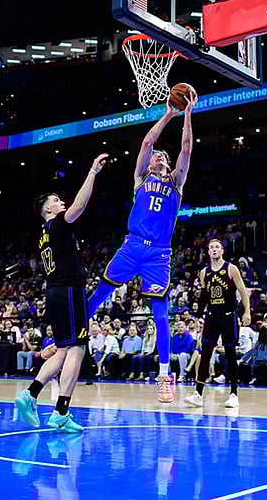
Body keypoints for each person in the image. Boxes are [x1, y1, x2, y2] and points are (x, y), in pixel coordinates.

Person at [86, 91, 198, 403]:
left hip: (158, 254)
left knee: (160, 316)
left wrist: (187, 112)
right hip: (132, 246)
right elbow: (147, 143)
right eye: (156, 155)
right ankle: (65, 338)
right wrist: (168, 115)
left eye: (164, 155)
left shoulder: (175, 183)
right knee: (97, 296)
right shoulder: (140, 178)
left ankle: (165, 376)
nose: (159, 155)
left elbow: (186, 148)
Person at [16, 153, 109, 434]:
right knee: (78, 348)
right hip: (68, 290)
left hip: (56, 291)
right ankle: (61, 411)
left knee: (64, 348)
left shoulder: (45, 233)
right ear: (47, 210)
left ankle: (31, 394)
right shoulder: (56, 224)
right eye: (55, 200)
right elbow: (80, 205)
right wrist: (92, 172)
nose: (61, 202)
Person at [184, 239, 251, 409]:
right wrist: (199, 316)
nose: (214, 249)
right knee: (205, 354)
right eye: (211, 247)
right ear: (208, 252)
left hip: (228, 316)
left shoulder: (231, 268)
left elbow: (243, 292)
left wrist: (247, 312)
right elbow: (204, 296)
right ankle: (198, 394)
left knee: (230, 354)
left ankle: (234, 394)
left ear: (222, 251)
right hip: (211, 316)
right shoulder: (204, 272)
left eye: (217, 247)